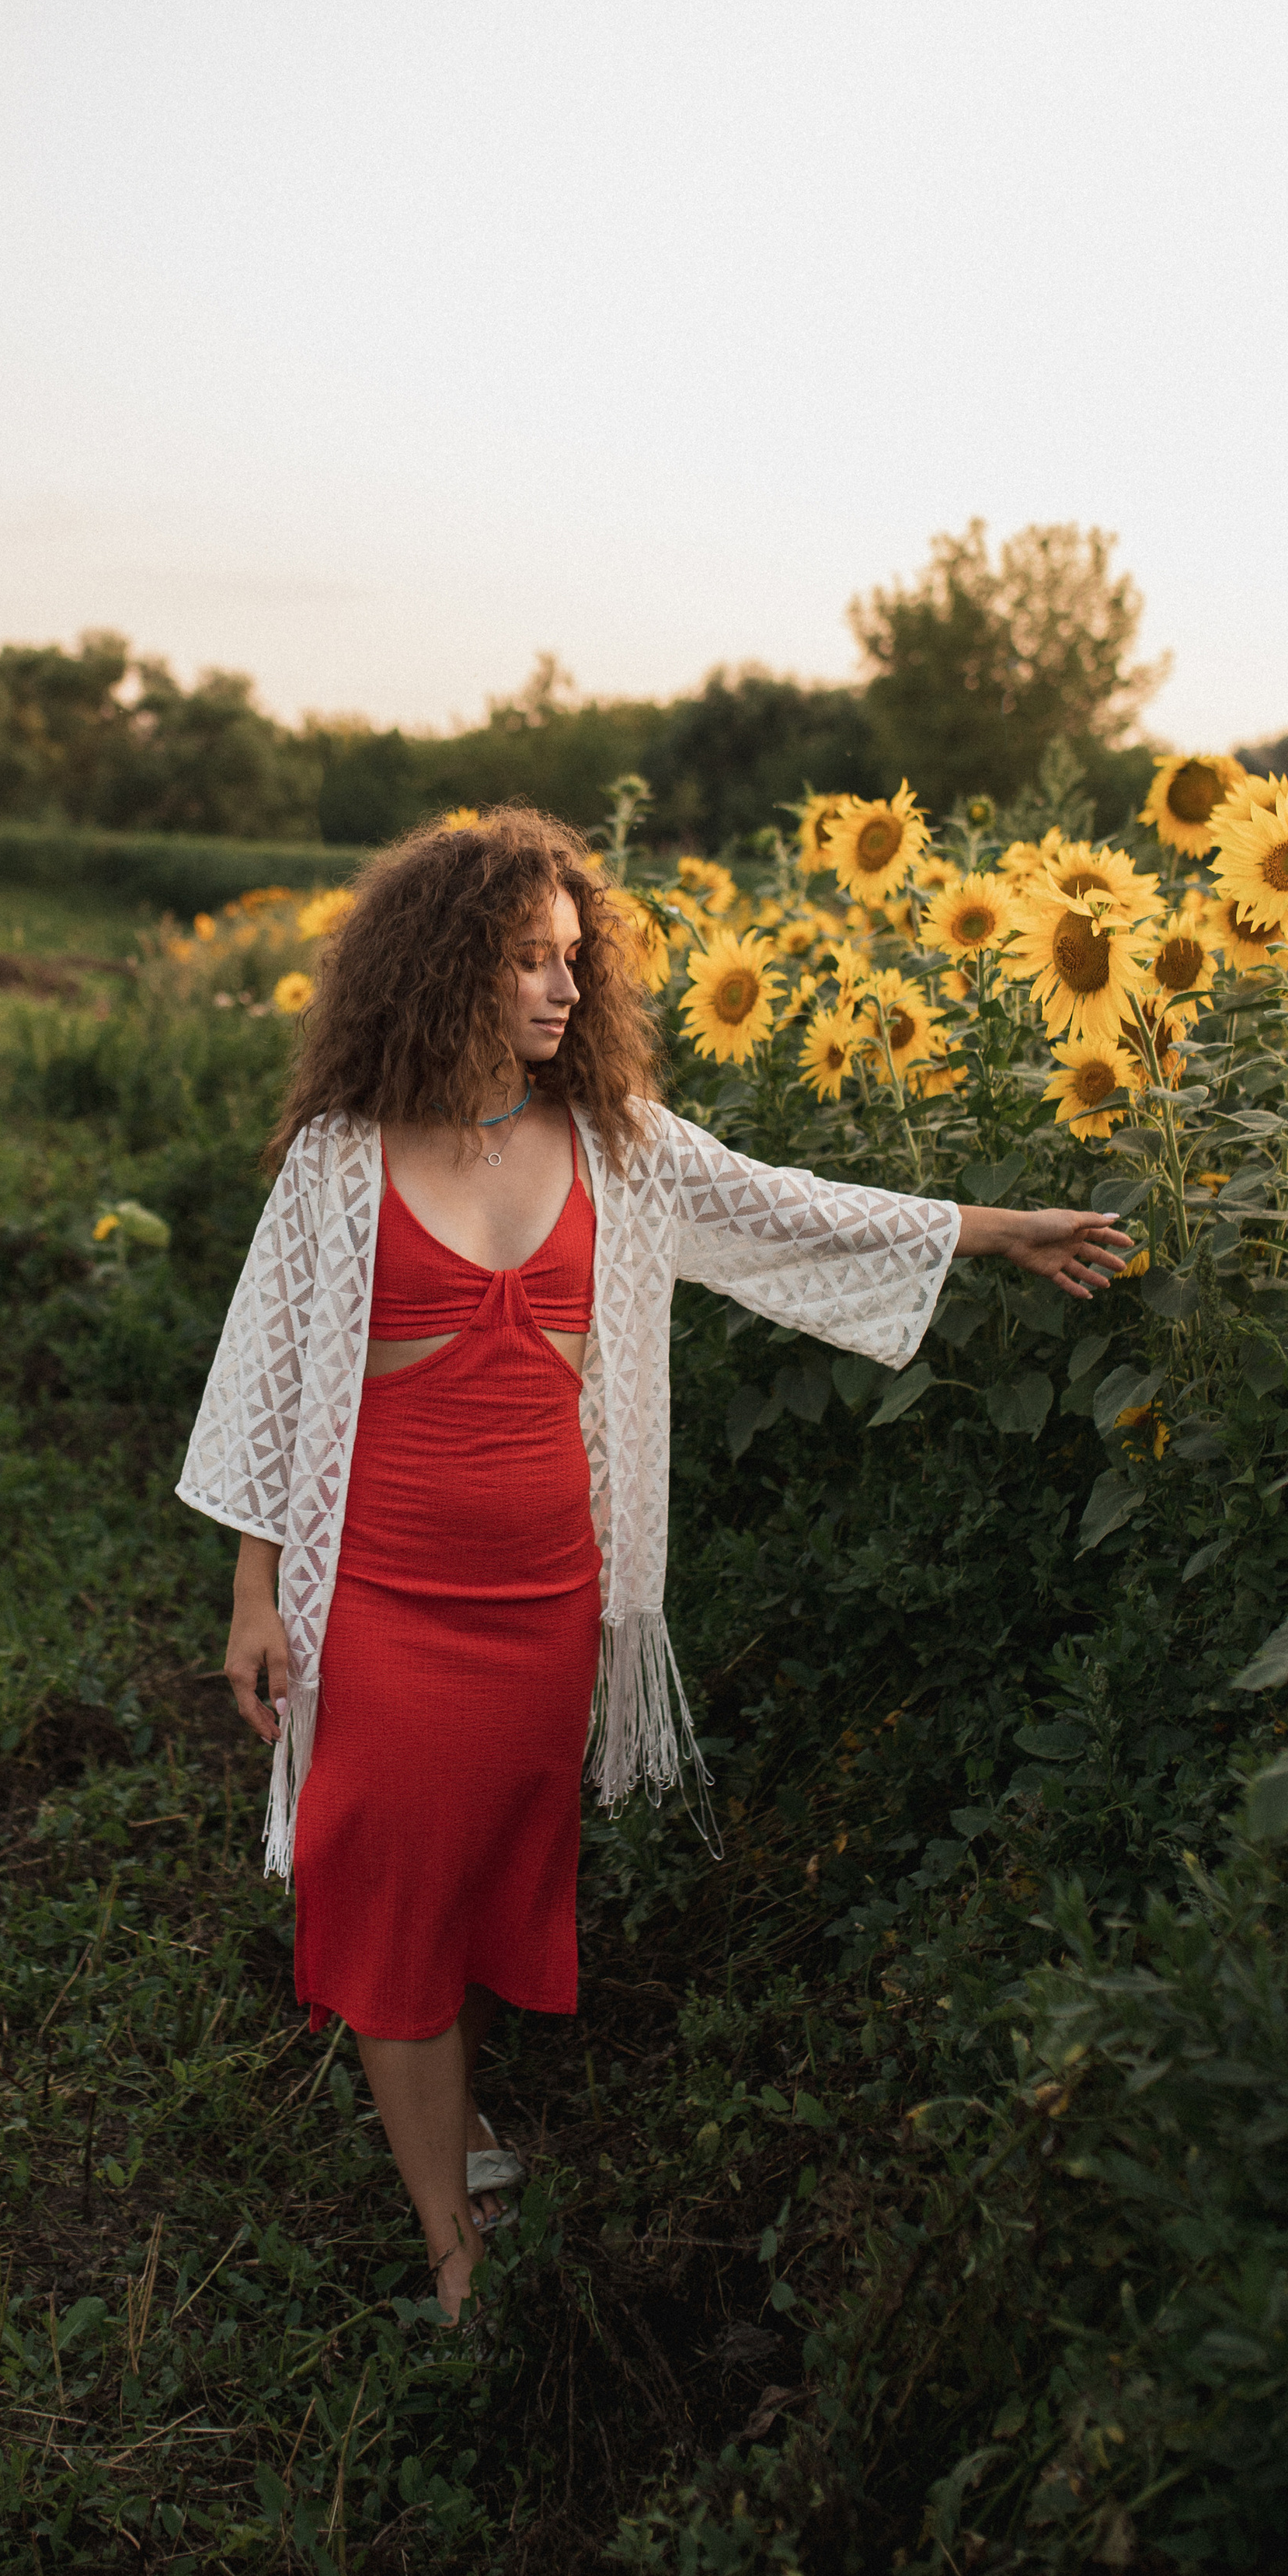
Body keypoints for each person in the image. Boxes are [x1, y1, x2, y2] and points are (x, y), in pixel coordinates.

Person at [176, 808, 1130, 2318]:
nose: (561, 989)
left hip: (549, 1599)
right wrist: (251, 1592)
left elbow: (788, 1208)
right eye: (524, 961)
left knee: (479, 1878)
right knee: (383, 1875)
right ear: (440, 969)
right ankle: (451, 2252)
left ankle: (459, 2118)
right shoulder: (340, 1162)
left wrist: (989, 1229)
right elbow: (270, 1376)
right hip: (380, 1597)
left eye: (571, 959)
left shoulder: (615, 1146)